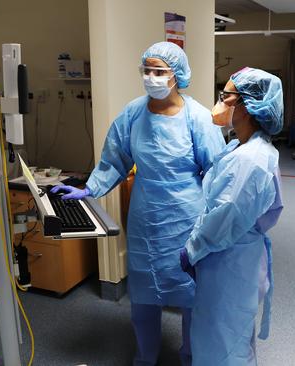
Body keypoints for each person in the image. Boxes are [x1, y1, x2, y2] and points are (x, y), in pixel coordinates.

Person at [51, 42, 225, 366]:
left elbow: (216, 171)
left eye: (159, 71)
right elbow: (115, 159)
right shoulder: (133, 113)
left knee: (190, 293)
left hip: (187, 214)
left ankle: (191, 355)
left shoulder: (198, 118)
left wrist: (218, 222)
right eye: (147, 70)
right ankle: (145, 356)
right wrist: (89, 187)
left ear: (177, 75)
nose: (151, 77)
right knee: (145, 293)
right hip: (146, 213)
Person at [179, 67, 284, 366]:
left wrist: (192, 250)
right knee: (230, 337)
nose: (220, 102)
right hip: (232, 260)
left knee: (221, 345)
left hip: (229, 263)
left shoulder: (250, 160)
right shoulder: (242, 146)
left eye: (226, 96)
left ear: (249, 106)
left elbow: (225, 217)